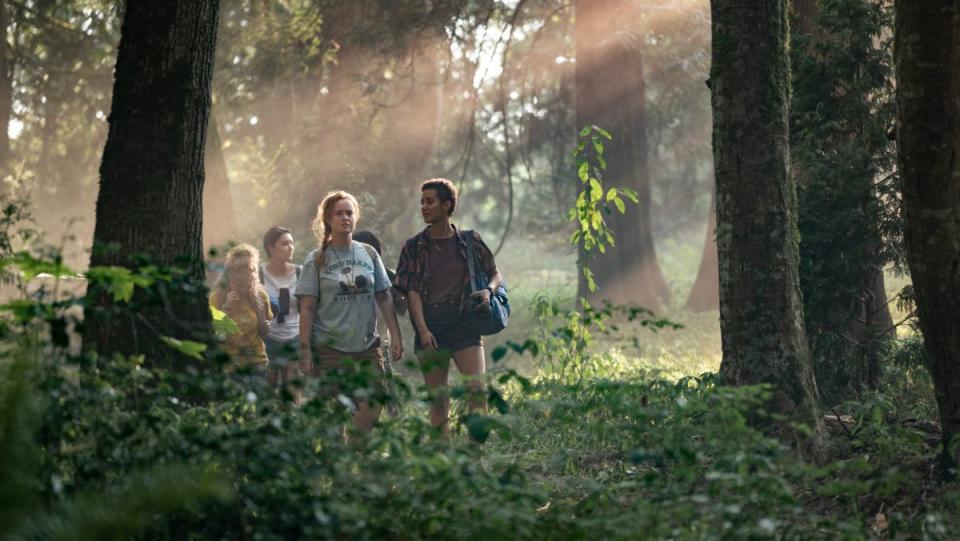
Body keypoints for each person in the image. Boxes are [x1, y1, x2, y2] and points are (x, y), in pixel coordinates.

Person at [394, 178, 503, 438]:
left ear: (447, 204)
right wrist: (422, 330)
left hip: (465, 325)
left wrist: (488, 291)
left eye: (430, 201)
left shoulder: (468, 240)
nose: (424, 207)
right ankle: (443, 462)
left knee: (477, 391)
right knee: (438, 399)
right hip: (430, 327)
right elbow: (412, 291)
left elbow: (495, 273)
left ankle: (475, 459)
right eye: (421, 202)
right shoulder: (413, 247)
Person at [295, 191, 403, 436]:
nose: (345, 217)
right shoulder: (316, 259)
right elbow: (307, 308)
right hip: (329, 347)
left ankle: (352, 453)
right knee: (336, 415)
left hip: (366, 346)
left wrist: (395, 334)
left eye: (349, 213)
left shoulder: (369, 253)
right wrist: (304, 349)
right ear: (328, 220)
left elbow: (384, 296)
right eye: (339, 213)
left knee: (373, 406)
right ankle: (342, 466)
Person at [209, 243, 272, 374]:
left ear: (254, 274)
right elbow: (215, 335)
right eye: (238, 273)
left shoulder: (260, 295)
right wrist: (226, 307)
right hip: (230, 364)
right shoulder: (218, 296)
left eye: (249, 273)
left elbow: (265, 333)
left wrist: (260, 312)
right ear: (229, 274)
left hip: (257, 362)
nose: (243, 279)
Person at [260, 226, 302, 397]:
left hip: (293, 338)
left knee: (292, 394)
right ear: (271, 247)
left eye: (291, 243)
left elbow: (308, 307)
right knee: (266, 392)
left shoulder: (300, 272)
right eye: (284, 243)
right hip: (266, 339)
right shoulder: (259, 272)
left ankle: (293, 422)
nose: (290, 247)